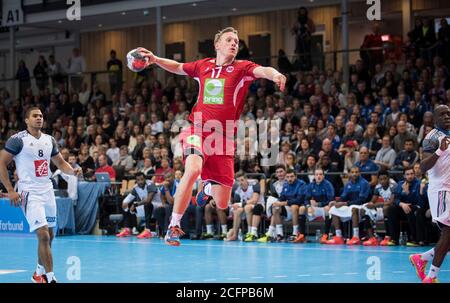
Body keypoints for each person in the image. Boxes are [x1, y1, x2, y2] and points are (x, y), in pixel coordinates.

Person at [136, 27, 286, 246]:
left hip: (223, 138)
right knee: (193, 169)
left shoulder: (242, 67)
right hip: (197, 128)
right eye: (229, 40)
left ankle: (207, 187)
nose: (234, 43)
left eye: (236, 40)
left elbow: (264, 70)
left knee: (222, 203)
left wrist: (276, 75)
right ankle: (174, 225)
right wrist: (155, 59)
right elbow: (177, 67)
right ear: (217, 44)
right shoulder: (202, 66)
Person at [0, 107, 82, 283]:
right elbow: (1, 162)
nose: (39, 118)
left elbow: (60, 162)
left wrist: (72, 171)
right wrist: (10, 189)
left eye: (41, 116)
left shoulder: (49, 140)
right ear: (27, 120)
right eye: (35, 116)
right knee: (43, 235)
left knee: (50, 236)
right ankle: (50, 278)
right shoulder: (17, 140)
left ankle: (38, 273)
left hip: (47, 190)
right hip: (29, 192)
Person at [410, 105, 450, 283]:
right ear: (435, 119)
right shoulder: (431, 137)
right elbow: (423, 167)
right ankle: (431, 277)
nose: (447, 116)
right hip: (441, 189)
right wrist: (439, 150)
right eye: (443, 114)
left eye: (449, 113)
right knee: (448, 231)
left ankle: (422, 258)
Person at [116, 172, 159, 239]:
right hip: (146, 205)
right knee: (127, 204)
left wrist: (135, 204)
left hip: (158, 205)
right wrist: (124, 203)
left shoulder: (150, 184)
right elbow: (128, 198)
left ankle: (147, 230)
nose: (140, 182)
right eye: (138, 180)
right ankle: (128, 228)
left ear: (145, 179)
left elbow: (148, 200)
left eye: (142, 179)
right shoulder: (136, 187)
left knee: (146, 204)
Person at [304, 168, 335, 243]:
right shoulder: (311, 185)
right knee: (302, 209)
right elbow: (306, 199)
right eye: (317, 174)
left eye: (320, 174)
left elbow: (331, 199)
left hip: (325, 207)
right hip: (315, 209)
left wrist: (319, 204)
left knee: (328, 209)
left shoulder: (328, 184)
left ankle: (325, 235)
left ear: (323, 176)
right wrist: (308, 206)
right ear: (314, 176)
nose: (318, 176)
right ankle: (302, 235)